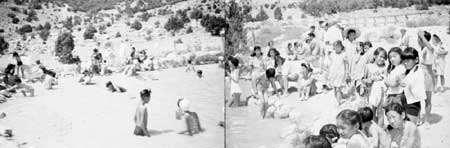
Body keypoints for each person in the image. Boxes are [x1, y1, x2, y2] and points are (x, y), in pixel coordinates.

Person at [400, 47, 426, 125]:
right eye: (404, 61)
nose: (405, 63)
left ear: (416, 60)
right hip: (406, 102)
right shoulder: (409, 70)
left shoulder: (418, 72)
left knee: (410, 127)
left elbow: (419, 92)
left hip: (412, 104)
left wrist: (403, 82)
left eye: (408, 61)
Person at [363, 47, 388, 125]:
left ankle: (380, 129)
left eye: (384, 57)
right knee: (371, 112)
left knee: (381, 112)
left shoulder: (385, 68)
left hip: (381, 93)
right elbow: (363, 79)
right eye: (380, 56)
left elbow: (387, 80)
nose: (382, 59)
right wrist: (372, 79)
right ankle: (374, 128)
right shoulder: (368, 66)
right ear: (375, 56)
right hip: (370, 92)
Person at [328, 41, 349, 105]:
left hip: (340, 73)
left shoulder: (343, 54)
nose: (337, 48)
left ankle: (339, 101)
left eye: (339, 47)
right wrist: (329, 72)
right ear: (334, 47)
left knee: (338, 87)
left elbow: (346, 64)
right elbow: (331, 63)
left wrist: (347, 72)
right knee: (334, 86)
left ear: (341, 47)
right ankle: (337, 98)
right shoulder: (332, 54)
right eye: (336, 47)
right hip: (333, 72)